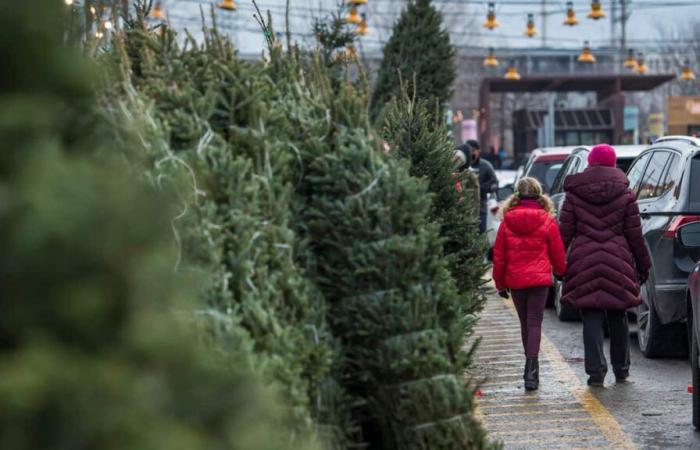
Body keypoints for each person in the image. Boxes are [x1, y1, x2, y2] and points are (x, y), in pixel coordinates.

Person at [559, 144, 652, 387]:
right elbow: (635, 235)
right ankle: (621, 368)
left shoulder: (574, 194)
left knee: (590, 316)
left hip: (583, 260)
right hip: (617, 260)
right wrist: (644, 265)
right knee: (618, 314)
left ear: (590, 162)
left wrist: (558, 265)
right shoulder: (626, 194)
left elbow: (564, 233)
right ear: (612, 164)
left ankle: (595, 372)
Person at [492, 177, 566, 391]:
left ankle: (530, 366)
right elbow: (557, 252)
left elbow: (499, 257)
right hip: (540, 281)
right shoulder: (547, 220)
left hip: (516, 281)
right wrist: (561, 272)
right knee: (535, 322)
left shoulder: (507, 222)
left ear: (517, 195)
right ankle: (531, 371)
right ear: (538, 194)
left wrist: (500, 284)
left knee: (525, 323)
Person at [464, 140, 498, 233]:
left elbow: (494, 184)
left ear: (479, 151)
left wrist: (482, 188)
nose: (471, 153)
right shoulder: (461, 164)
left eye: (473, 150)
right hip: (463, 208)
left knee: (481, 234)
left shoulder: (485, 166)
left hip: (481, 208)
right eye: (468, 150)